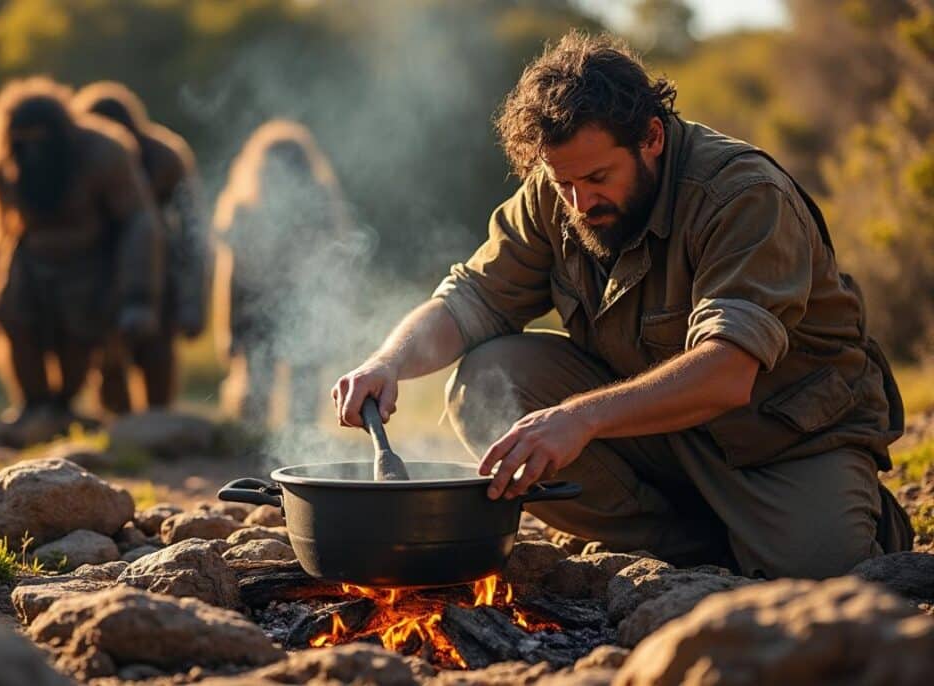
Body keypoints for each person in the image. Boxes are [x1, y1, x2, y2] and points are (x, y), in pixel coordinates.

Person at [331, 32, 912, 579]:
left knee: (819, 571)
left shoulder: (742, 195)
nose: (580, 203)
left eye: (597, 177)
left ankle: (847, 516)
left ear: (652, 138)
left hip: (783, 437)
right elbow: (472, 298)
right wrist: (387, 362)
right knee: (487, 383)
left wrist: (578, 418)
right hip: (653, 426)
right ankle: (692, 545)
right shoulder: (558, 187)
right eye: (563, 185)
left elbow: (728, 373)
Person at [0, 77, 161, 446]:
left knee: (81, 338)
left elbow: (139, 221)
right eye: (23, 140)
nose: (34, 149)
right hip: (27, 263)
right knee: (13, 319)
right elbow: (0, 233)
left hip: (89, 266)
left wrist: (138, 295)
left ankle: (63, 405)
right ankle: (32, 403)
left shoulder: (104, 152)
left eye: (42, 137)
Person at [71, 81, 209, 412]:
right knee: (108, 360)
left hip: (160, 270)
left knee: (157, 352)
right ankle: (122, 434)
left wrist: (192, 303)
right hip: (98, 268)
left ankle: (158, 427)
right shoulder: (76, 158)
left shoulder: (165, 157)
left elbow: (192, 230)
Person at [214, 120, 352, 425]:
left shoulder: (319, 206)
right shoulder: (243, 209)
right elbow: (232, 275)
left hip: (302, 306)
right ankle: (252, 440)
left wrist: (328, 324)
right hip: (255, 308)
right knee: (255, 383)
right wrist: (231, 330)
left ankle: (298, 440)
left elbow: (331, 270)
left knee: (303, 381)